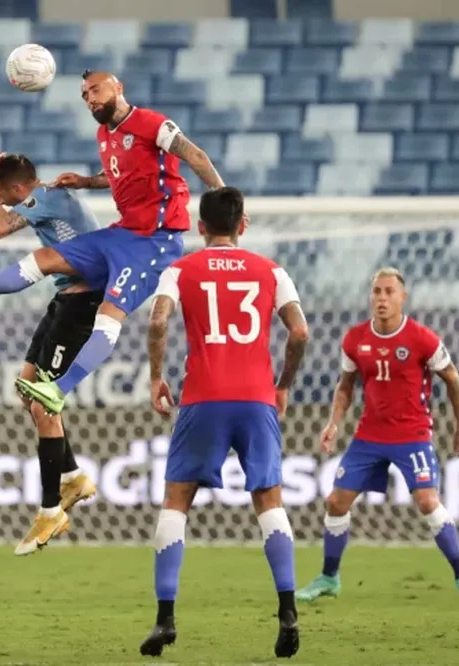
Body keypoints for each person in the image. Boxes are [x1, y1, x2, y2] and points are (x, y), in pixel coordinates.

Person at [0, 70, 228, 417]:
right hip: (123, 232)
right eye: (84, 94)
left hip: (155, 243)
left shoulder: (151, 123)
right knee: (45, 258)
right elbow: (122, 175)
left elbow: (195, 156)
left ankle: (58, 390)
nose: (89, 98)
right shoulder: (105, 135)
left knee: (108, 317)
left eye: (95, 89)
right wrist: (86, 181)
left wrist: (226, 200)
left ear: (118, 87)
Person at [142, 187, 308, 659]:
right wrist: (284, 384)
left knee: (177, 501)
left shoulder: (180, 270)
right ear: (243, 225)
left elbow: (157, 324)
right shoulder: (272, 271)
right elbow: (300, 331)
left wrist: (157, 376)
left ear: (200, 228)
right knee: (269, 502)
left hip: (204, 397)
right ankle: (288, 610)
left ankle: (165, 619)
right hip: (257, 400)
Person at [295, 268, 459, 606]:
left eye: (389, 292)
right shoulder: (354, 340)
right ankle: (329, 577)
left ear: (402, 297)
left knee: (427, 501)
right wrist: (333, 422)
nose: (381, 298)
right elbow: (345, 385)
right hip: (370, 435)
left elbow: (452, 379)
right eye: (377, 292)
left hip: (412, 435)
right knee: (336, 502)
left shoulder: (422, 338)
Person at [0, 143, 102, 554]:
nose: (0, 199)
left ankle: (49, 512)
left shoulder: (44, 198)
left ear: (19, 187)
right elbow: (0, 221)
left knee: (45, 404)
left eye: (1, 191)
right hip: (66, 297)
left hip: (83, 304)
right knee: (28, 389)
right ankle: (74, 477)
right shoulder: (45, 199)